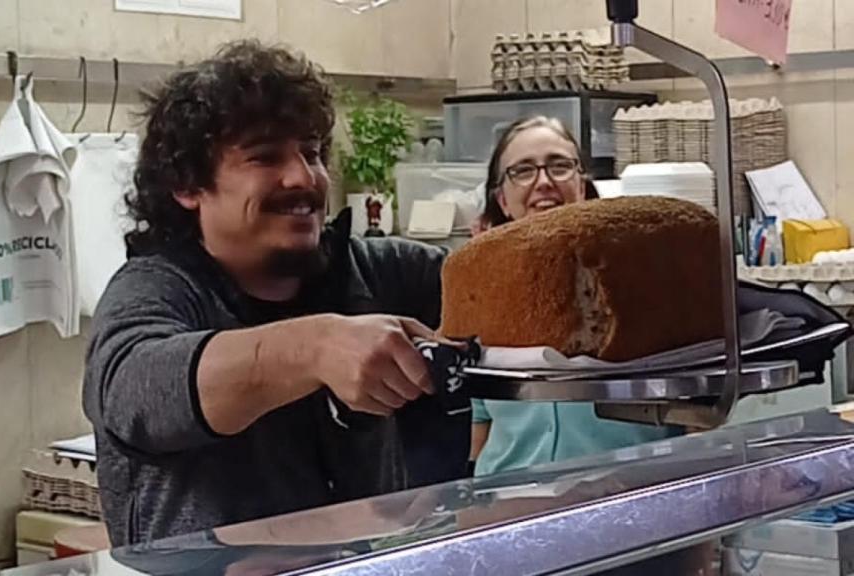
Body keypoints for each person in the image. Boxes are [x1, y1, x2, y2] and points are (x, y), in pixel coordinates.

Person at [82, 40, 464, 547]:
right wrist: (316, 347)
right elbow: (139, 390)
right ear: (188, 185)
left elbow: (489, 290)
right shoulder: (155, 289)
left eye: (311, 152)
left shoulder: (376, 273)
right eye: (265, 157)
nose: (302, 178)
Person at [469, 116, 679, 476]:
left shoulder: (642, 276)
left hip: (625, 505)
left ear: (581, 186)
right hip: (509, 508)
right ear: (502, 199)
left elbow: (697, 417)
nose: (544, 182)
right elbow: (482, 427)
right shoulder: (482, 293)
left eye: (559, 166)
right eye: (522, 171)